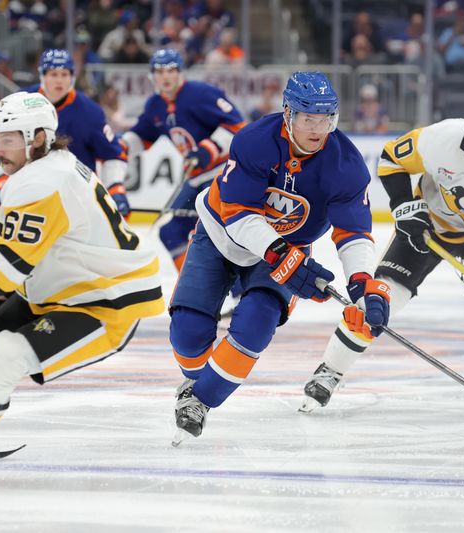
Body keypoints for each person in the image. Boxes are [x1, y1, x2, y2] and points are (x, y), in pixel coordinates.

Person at [0, 92, 164, 491]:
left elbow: (4, 272)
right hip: (63, 288)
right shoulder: (49, 169)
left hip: (104, 303)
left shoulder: (42, 181)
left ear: (37, 137)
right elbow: (34, 253)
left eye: (8, 139)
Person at [167, 72, 390, 444]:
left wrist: (364, 283)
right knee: (188, 334)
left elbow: (353, 233)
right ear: (288, 113)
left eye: (326, 119)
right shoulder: (255, 141)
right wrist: (282, 254)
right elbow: (239, 215)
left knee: (257, 322)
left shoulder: (346, 164)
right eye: (308, 118)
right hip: (222, 233)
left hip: (286, 247)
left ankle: (200, 402)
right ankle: (198, 378)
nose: (318, 129)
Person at [301, 93, 464, 414]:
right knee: (379, 296)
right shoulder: (440, 138)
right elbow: (392, 158)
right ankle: (330, 370)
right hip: (428, 225)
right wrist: (404, 207)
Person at [121, 48, 246, 274]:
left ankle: (240, 293)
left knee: (224, 234)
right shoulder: (155, 105)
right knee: (171, 233)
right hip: (197, 177)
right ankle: (197, 286)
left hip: (225, 172)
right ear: (152, 76)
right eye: (159, 71)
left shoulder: (201, 93)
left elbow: (237, 125)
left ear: (180, 72)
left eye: (171, 70)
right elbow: (142, 135)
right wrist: (119, 147)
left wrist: (207, 150)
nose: (165, 76)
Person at [14, 49, 130, 218]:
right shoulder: (20, 104)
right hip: (32, 195)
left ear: (72, 76)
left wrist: (116, 189)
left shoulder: (90, 112)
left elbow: (113, 153)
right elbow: (5, 145)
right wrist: (4, 183)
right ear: (42, 75)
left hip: (78, 197)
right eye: (53, 74)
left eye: (64, 74)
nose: (59, 80)